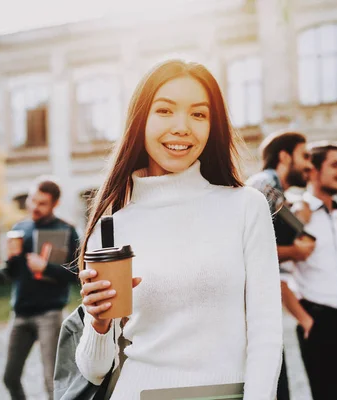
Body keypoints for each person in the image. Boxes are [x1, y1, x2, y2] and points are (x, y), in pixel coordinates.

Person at [75, 59, 283, 399]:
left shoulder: (245, 206)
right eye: (165, 111)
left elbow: (266, 333)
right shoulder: (113, 225)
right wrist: (98, 324)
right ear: (141, 120)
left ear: (212, 126)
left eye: (199, 114)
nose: (182, 127)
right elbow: (95, 371)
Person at [291, 141, 337, 400]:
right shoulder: (297, 215)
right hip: (320, 323)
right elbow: (279, 273)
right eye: (335, 165)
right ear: (312, 170)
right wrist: (305, 320)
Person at [245, 130, 315, 400]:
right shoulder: (266, 185)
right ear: (285, 156)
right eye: (305, 156)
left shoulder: (277, 192)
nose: (309, 164)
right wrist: (295, 251)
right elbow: (246, 252)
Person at [3, 177, 80, 400]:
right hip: (20, 313)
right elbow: (12, 274)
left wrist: (46, 267)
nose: (34, 207)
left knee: (51, 381)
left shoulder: (66, 230)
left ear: (54, 204)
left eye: (42, 203)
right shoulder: (19, 228)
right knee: (10, 377)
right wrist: (11, 260)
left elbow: (77, 274)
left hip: (50, 314)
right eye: (32, 200)